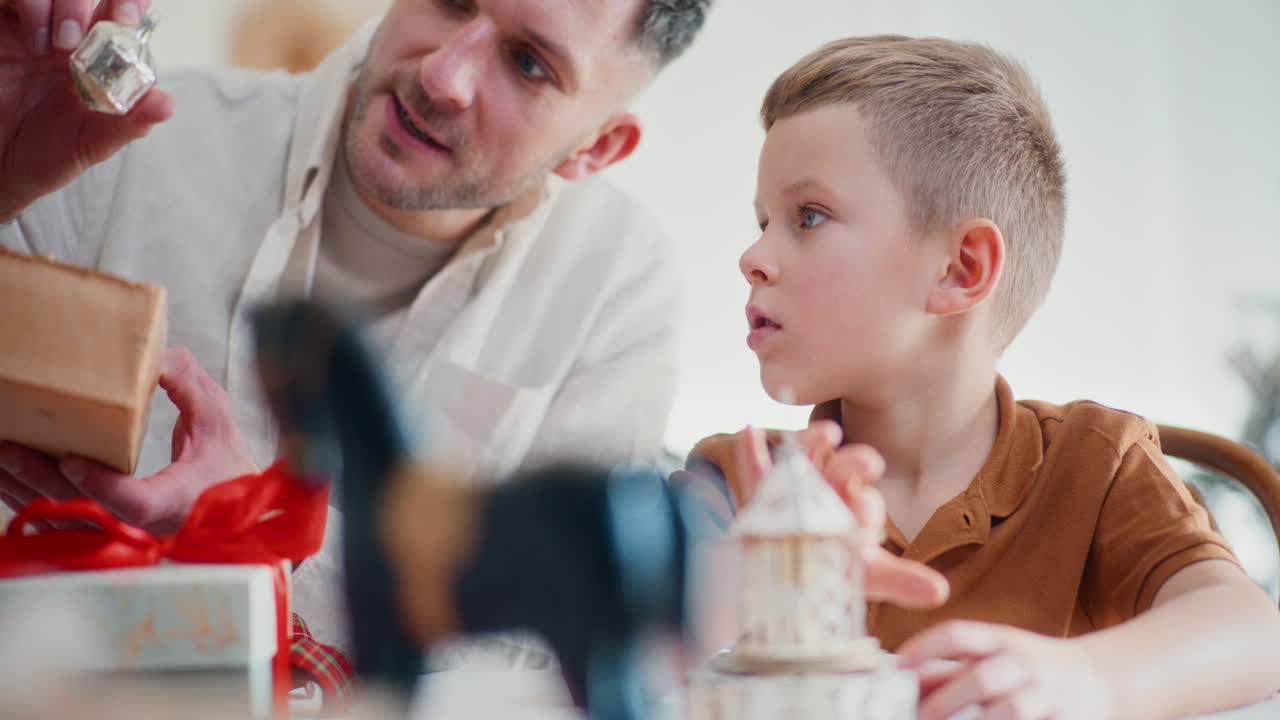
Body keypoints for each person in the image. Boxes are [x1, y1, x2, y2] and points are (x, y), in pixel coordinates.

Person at [0, 0, 711, 665]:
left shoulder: (619, 292)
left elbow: (547, 654)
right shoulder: (122, 143)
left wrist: (268, 525)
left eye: (529, 64)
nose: (443, 75)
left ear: (597, 147)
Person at [674, 36, 1280, 720]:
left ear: (961, 269)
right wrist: (740, 583)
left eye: (807, 216)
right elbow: (625, 653)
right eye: (762, 222)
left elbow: (1257, 632)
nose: (752, 256)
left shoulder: (1097, 462)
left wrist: (1090, 679)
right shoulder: (740, 477)